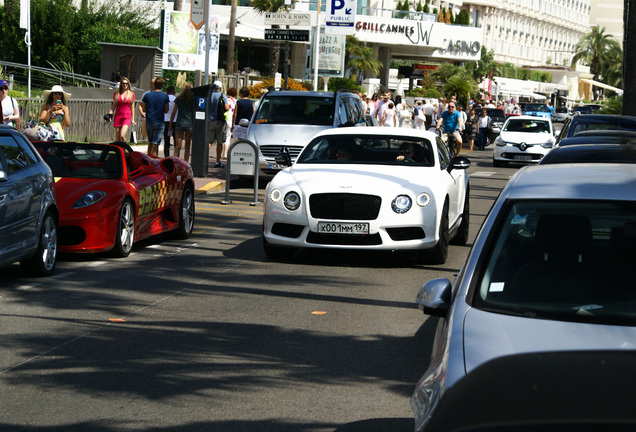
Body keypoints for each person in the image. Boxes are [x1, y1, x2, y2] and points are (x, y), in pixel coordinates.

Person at [139, 77, 169, 157]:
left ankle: (148, 160)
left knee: (150, 142)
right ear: (162, 85)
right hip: (159, 121)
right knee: (155, 144)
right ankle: (153, 162)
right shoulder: (165, 96)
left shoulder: (147, 95)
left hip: (149, 121)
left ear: (154, 84)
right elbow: (166, 110)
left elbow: (144, 108)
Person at [168, 82, 194, 162]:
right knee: (187, 145)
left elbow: (173, 113)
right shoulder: (193, 99)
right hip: (189, 124)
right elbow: (194, 112)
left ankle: (175, 162)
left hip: (179, 123)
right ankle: (186, 162)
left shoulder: (179, 98)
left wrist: (170, 124)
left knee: (177, 145)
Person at [106, 76, 135, 142]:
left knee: (122, 135)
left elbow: (132, 107)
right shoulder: (116, 94)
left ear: (128, 84)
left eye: (126, 83)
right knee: (117, 138)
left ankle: (124, 148)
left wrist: (133, 119)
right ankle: (119, 150)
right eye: (123, 83)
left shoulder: (131, 94)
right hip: (118, 116)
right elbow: (113, 106)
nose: (125, 85)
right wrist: (110, 115)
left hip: (127, 116)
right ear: (121, 84)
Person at [209, 80, 229, 168]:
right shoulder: (222, 95)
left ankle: (204, 159)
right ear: (220, 88)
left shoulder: (209, 95)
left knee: (209, 141)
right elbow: (226, 108)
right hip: (219, 121)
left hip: (210, 120)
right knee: (219, 142)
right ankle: (217, 161)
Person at [224, 87, 237, 158]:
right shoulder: (235, 101)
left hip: (223, 119)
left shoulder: (225, 100)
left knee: (222, 136)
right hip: (231, 119)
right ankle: (225, 153)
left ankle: (221, 153)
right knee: (228, 136)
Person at [163, 86, 177, 157]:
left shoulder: (165, 98)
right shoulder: (176, 99)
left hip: (166, 121)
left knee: (166, 142)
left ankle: (166, 156)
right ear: (174, 92)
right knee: (176, 142)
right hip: (175, 121)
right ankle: (176, 157)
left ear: (167, 92)